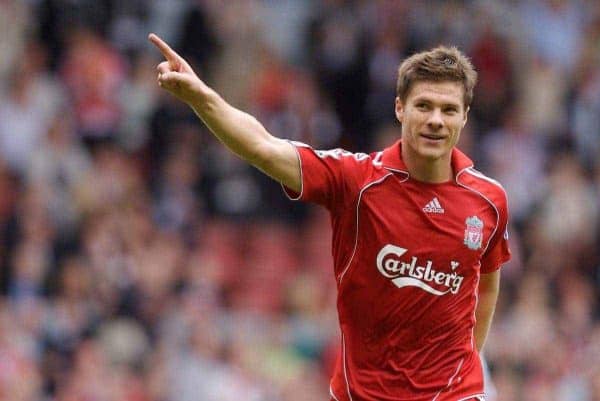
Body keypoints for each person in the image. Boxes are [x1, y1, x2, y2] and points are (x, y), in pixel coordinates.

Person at [148, 32, 510, 401]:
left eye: (449, 109)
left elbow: (486, 284)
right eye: (424, 105)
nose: (436, 120)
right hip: (367, 393)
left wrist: (467, 359)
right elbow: (263, 146)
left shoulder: (489, 200)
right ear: (400, 108)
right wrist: (200, 96)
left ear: (464, 116)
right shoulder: (356, 180)